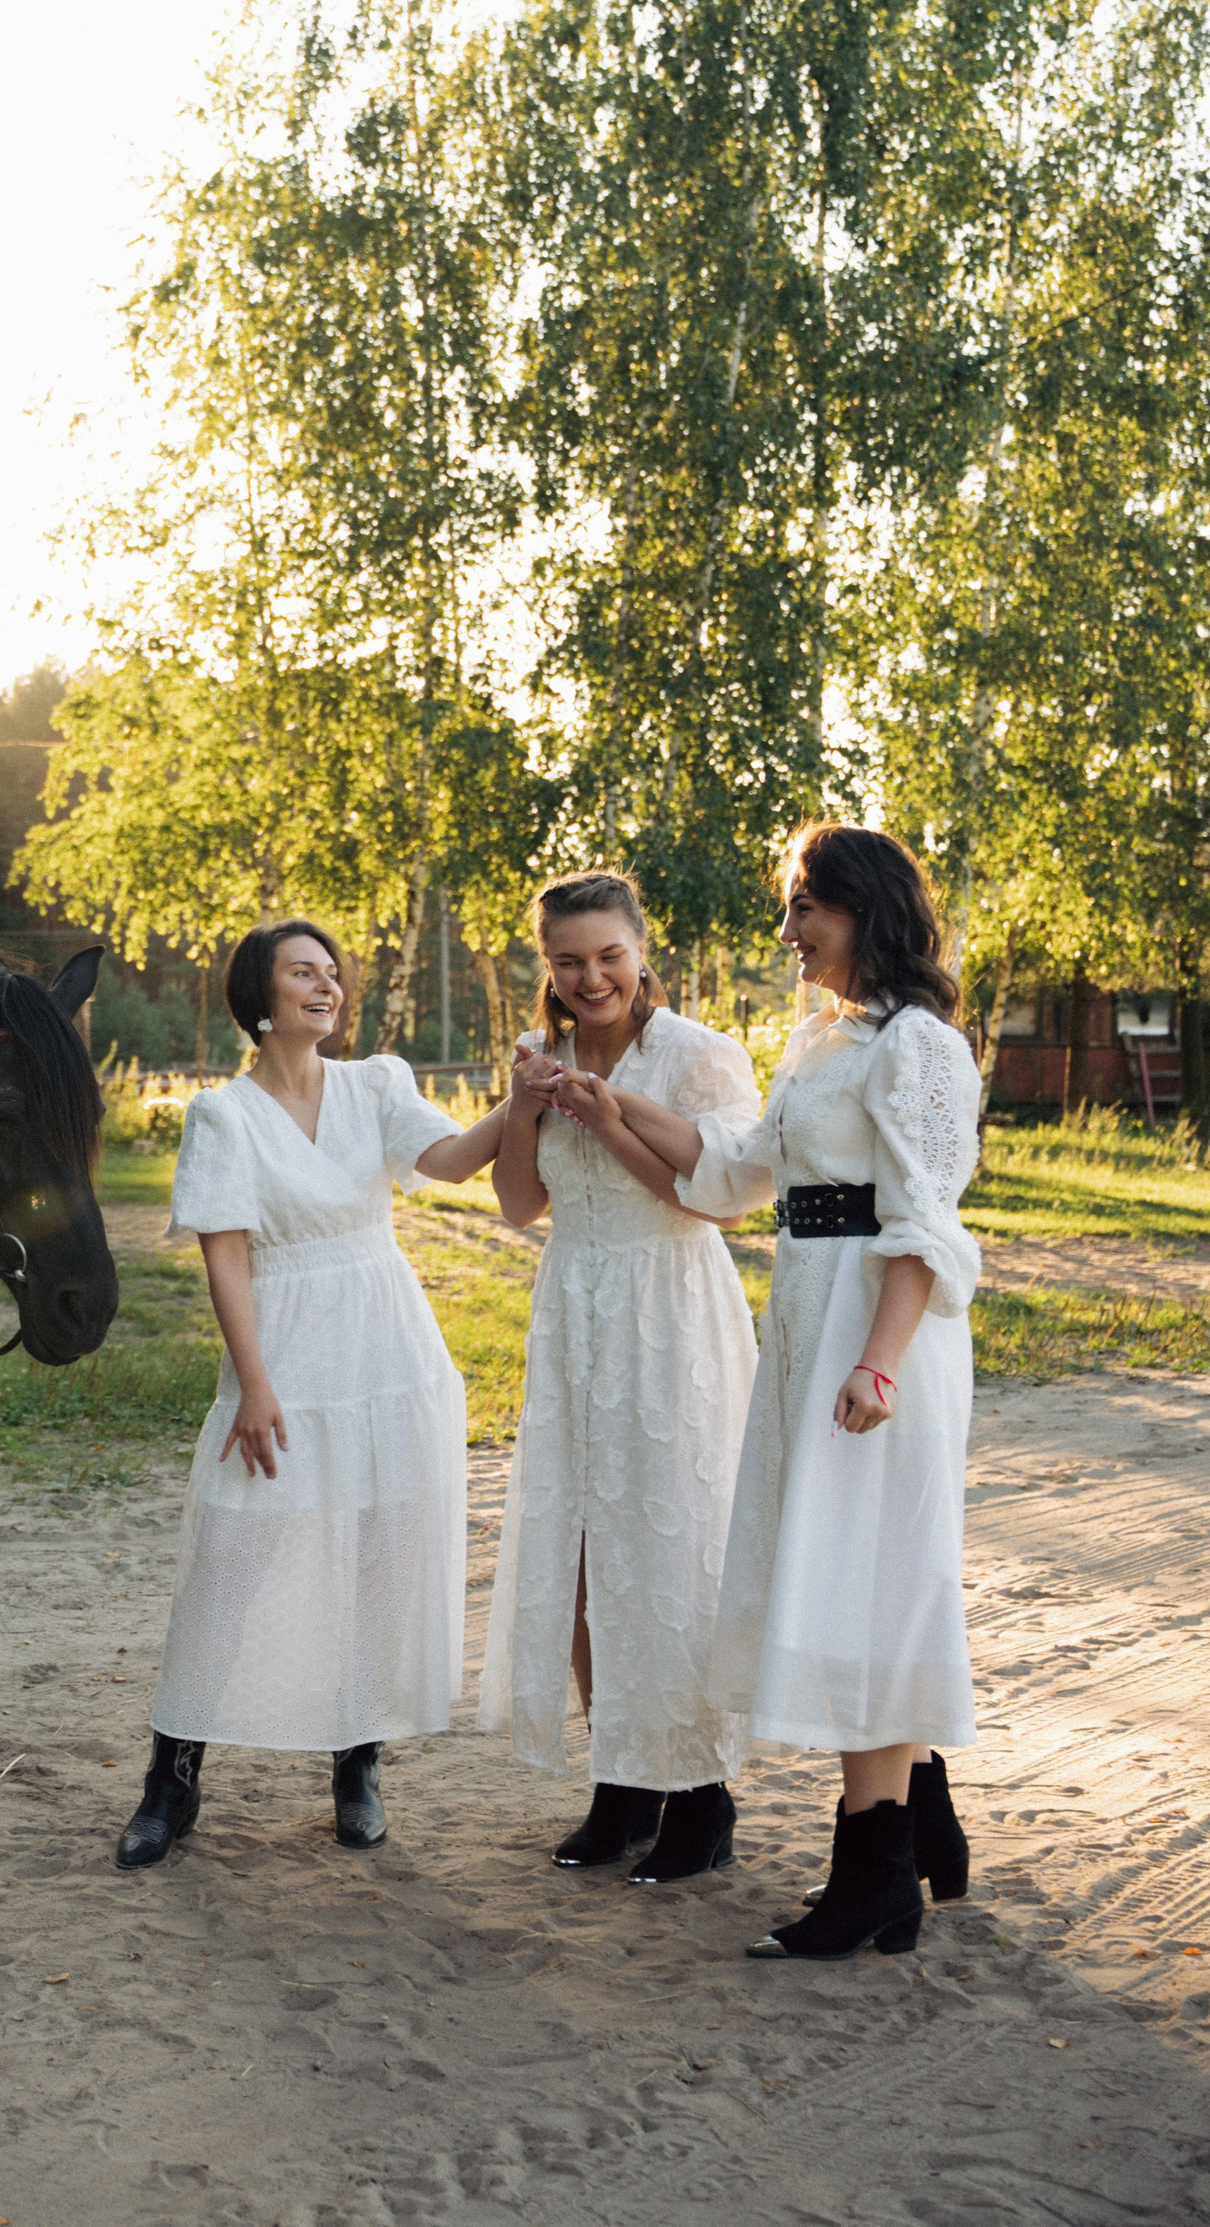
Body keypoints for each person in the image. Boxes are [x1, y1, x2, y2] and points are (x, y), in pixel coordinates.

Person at [585, 823, 981, 1961]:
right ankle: (911, 1829)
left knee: (866, 1580)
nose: (789, 928)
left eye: (807, 906)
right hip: (811, 1312)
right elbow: (739, 1165)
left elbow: (922, 1224)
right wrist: (610, 1104)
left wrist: (880, 1363)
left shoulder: (918, 1047)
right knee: (843, 1569)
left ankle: (871, 1875)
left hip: (877, 1331)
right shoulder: (821, 1040)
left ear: (867, 909)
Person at [116, 919, 506, 1870]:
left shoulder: (378, 1085)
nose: (325, 986)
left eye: (333, 973)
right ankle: (172, 1776)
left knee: (376, 1552)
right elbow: (227, 1254)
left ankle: (357, 1761)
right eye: (303, 973)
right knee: (232, 1556)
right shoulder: (224, 1114)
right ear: (262, 994)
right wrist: (254, 1386)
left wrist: (519, 1101)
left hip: (387, 1350)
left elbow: (451, 1162)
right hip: (284, 1353)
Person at [479, 871, 761, 1884]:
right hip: (573, 1316)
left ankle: (699, 1792)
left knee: (671, 1545)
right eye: (567, 959)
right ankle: (622, 1778)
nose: (589, 975)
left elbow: (716, 1206)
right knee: (585, 1552)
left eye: (607, 955)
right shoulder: (542, 1057)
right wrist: (523, 1105)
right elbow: (517, 1204)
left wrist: (606, 1122)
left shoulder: (697, 1055)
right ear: (544, 965)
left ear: (642, 948)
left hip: (670, 1311)